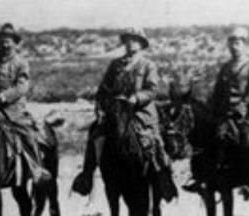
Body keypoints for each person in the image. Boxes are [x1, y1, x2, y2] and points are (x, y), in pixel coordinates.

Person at [72, 27, 177, 201]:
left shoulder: (148, 65)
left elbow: (152, 90)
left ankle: (163, 179)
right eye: (127, 39)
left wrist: (137, 98)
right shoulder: (115, 65)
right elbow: (103, 90)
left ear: (141, 44)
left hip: (140, 114)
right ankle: (86, 176)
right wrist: (100, 108)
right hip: (116, 112)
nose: (130, 43)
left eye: (134, 40)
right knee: (95, 133)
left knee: (152, 141)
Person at [184, 26, 249, 192]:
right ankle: (201, 176)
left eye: (238, 42)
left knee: (246, 139)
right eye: (232, 42)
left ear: (244, 44)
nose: (234, 46)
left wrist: (242, 105)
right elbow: (218, 91)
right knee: (205, 135)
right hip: (224, 112)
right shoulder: (226, 67)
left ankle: (248, 178)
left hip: (245, 112)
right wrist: (210, 106)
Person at [0, 23, 51, 186]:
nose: (5, 44)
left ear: (14, 43)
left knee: (28, 134)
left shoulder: (21, 63)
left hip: (14, 110)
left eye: (8, 41)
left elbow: (22, 86)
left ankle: (36, 169)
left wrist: (2, 97)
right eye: (2, 41)